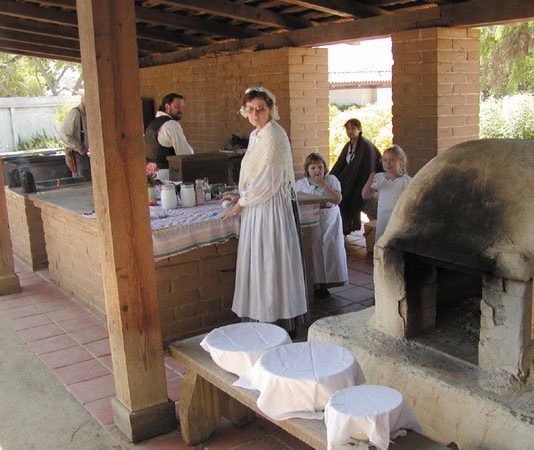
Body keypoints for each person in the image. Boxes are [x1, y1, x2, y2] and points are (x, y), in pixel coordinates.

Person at [222, 87, 308, 335]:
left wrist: (242, 202)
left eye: (260, 109)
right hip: (257, 205)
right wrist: (241, 195)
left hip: (270, 208)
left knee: (271, 260)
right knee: (261, 260)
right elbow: (254, 173)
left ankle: (277, 319)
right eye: (250, 109)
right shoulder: (256, 134)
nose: (255, 114)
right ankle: (262, 316)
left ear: (270, 109)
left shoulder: (273, 135)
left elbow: (268, 180)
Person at [296, 153, 347, 299]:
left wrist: (323, 184)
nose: (317, 170)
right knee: (316, 250)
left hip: (330, 217)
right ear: (307, 169)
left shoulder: (331, 180)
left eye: (320, 167)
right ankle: (318, 285)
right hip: (312, 219)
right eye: (313, 168)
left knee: (331, 248)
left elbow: (337, 199)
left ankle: (331, 281)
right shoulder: (302, 184)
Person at [330, 118, 382, 235]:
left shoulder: (365, 146)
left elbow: (369, 168)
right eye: (347, 129)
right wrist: (330, 178)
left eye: (353, 128)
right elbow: (340, 164)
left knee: (352, 196)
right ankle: (343, 229)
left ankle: (369, 232)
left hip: (363, 181)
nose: (350, 131)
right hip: (352, 180)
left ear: (359, 129)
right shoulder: (348, 145)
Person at [361, 145, 411, 241]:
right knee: (382, 240)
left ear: (401, 161)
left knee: (395, 240)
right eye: (385, 160)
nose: (388, 163)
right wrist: (369, 181)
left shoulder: (406, 181)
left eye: (392, 160)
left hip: (398, 217)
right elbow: (365, 195)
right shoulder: (380, 178)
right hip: (383, 216)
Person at [144, 93, 194, 168]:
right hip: (168, 172)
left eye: (182, 107)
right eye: (178, 107)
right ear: (167, 106)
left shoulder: (152, 124)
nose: (181, 110)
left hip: (151, 173)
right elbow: (185, 154)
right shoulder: (171, 124)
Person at [60, 95, 91, 181]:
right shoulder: (75, 113)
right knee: (82, 181)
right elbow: (64, 135)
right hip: (76, 154)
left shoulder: (85, 114)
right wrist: (79, 147)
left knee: (87, 179)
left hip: (84, 154)